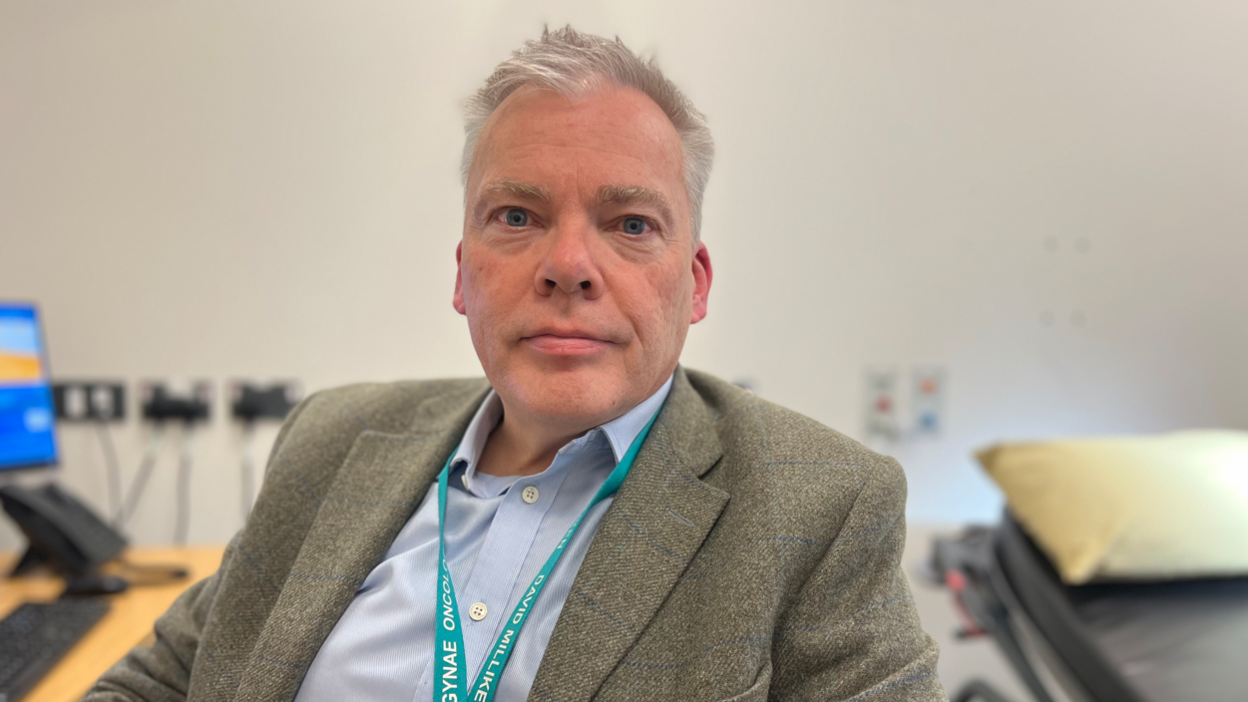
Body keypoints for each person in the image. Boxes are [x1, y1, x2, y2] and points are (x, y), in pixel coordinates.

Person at [87, 27, 944, 702]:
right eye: (518, 216)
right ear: (463, 274)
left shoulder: (821, 507)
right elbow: (159, 683)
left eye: (631, 224)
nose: (568, 265)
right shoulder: (330, 440)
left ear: (695, 283)